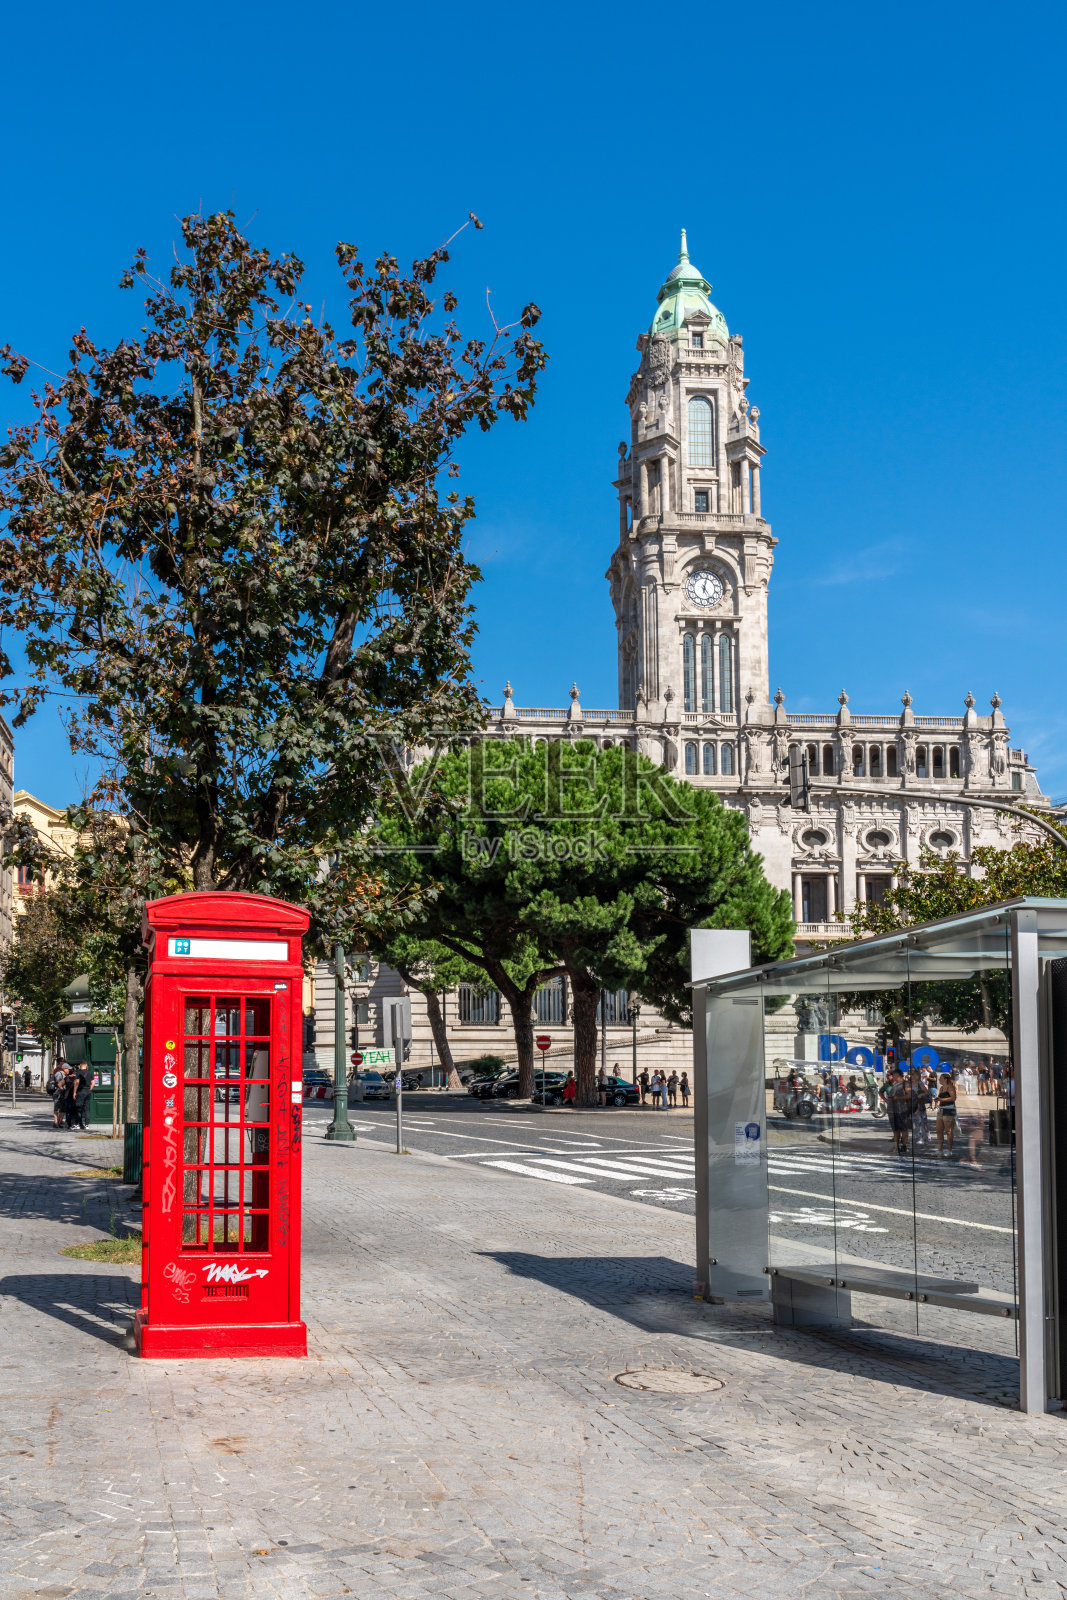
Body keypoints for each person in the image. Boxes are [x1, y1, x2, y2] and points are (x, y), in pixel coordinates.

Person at [935, 1071, 958, 1156]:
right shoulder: (941, 1088)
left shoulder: (950, 1087)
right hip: (941, 1109)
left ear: (945, 1079)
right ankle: (940, 1149)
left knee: (948, 1130)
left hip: (949, 1109)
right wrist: (937, 1099)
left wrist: (941, 1100)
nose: (939, 1080)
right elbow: (940, 1098)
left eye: (940, 1078)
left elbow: (953, 1098)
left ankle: (949, 1149)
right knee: (939, 1129)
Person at [71, 1066, 92, 1131]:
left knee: (78, 1108)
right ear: (86, 1066)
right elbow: (93, 1083)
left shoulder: (78, 1073)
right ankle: (87, 1125)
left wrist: (74, 1092)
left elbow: (76, 1082)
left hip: (80, 1091)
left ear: (80, 1065)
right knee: (87, 1108)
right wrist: (89, 1089)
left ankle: (77, 1124)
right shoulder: (90, 1073)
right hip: (88, 1091)